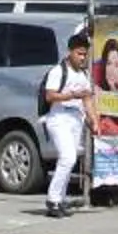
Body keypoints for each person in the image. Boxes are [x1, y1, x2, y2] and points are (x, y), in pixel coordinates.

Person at [40, 29, 94, 217]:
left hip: (75, 120)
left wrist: (93, 121)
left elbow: (87, 98)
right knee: (68, 157)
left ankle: (60, 201)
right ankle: (52, 200)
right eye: (79, 53)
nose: (82, 58)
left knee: (68, 161)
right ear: (70, 52)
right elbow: (50, 96)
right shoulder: (58, 71)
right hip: (58, 118)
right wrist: (71, 95)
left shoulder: (84, 74)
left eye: (85, 54)